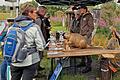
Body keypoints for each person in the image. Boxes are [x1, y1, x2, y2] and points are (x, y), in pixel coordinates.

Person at [10, 4, 45, 80]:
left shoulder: (12, 27)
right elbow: (41, 46)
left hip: (14, 60)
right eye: (35, 12)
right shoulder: (34, 27)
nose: (36, 14)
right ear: (29, 13)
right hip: (29, 61)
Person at [79, 6, 94, 73]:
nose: (80, 10)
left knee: (87, 51)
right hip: (81, 36)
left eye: (81, 9)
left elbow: (91, 27)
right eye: (80, 9)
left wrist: (87, 35)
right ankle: (83, 62)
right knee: (82, 49)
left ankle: (89, 67)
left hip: (86, 36)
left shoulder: (89, 16)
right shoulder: (82, 16)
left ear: (85, 9)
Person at [35, 5, 47, 71]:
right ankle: (36, 71)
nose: (45, 13)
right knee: (38, 56)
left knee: (40, 55)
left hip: (40, 40)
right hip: (39, 41)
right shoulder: (38, 19)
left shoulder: (41, 18)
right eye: (45, 11)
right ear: (41, 11)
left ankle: (38, 67)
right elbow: (38, 32)